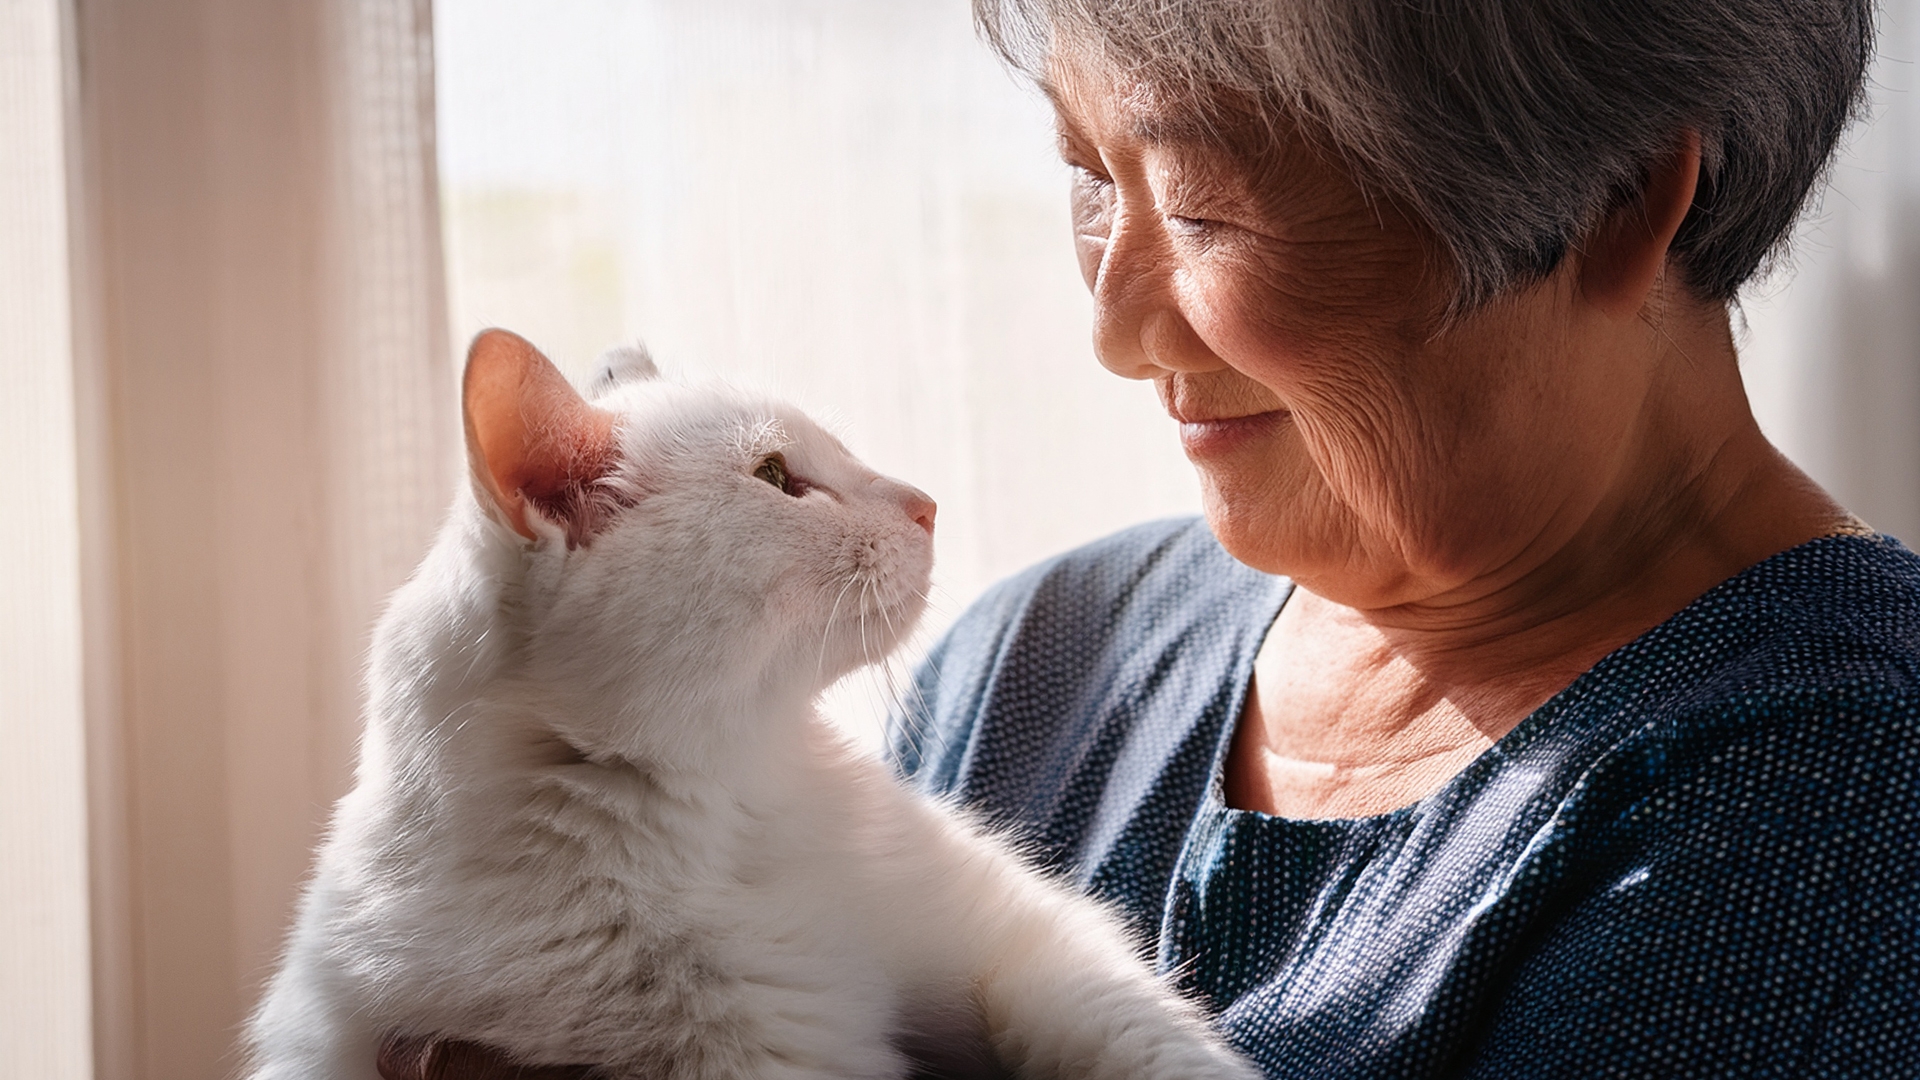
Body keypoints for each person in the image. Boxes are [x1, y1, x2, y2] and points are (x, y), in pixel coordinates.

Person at [387, 0, 1916, 1076]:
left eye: (1199, 201)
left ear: (1621, 198)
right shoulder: (1039, 658)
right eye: (1083, 177)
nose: (1114, 329)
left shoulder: (1847, 820)